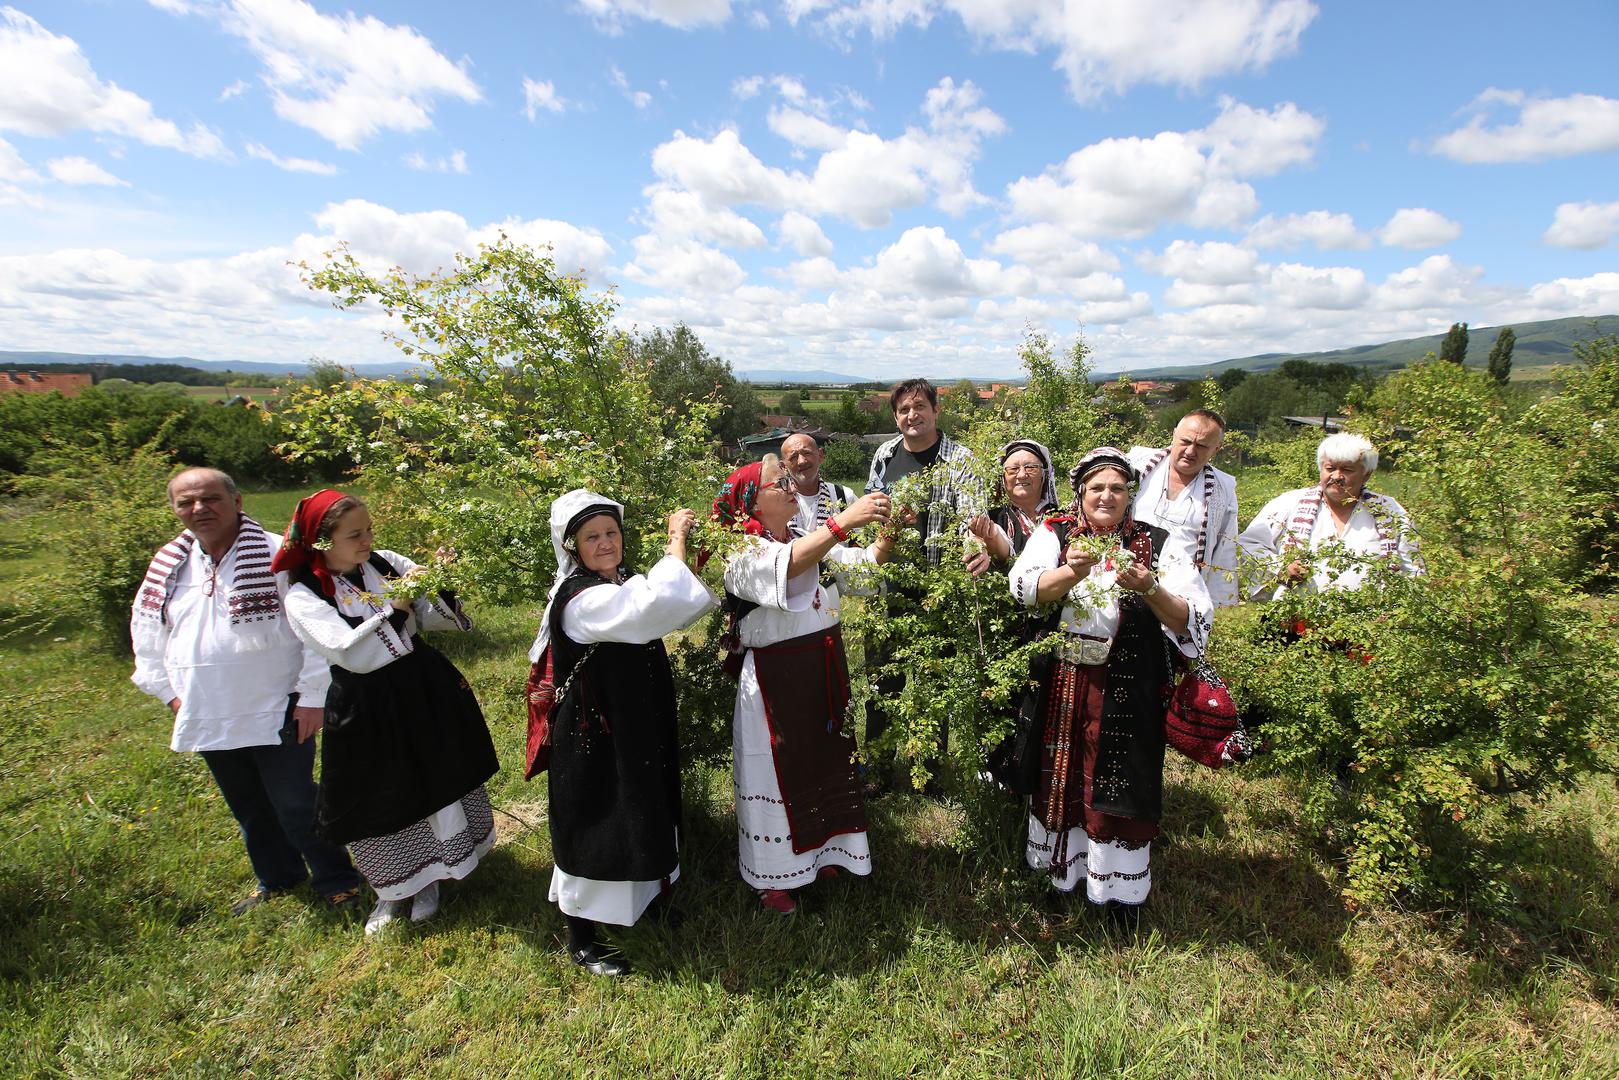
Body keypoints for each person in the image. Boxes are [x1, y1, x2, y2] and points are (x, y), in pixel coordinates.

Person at [131, 468, 363, 916]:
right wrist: (168, 693)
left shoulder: (278, 554)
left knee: (294, 801)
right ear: (176, 509)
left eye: (211, 499)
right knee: (249, 805)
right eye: (186, 502)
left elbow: (313, 625)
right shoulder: (170, 564)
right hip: (208, 706)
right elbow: (147, 629)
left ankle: (337, 878)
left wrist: (313, 696)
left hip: (278, 704)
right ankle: (277, 877)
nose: (200, 509)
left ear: (237, 502)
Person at [276, 490, 499, 936]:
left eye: (369, 529)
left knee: (435, 777)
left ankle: (437, 874)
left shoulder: (383, 563)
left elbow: (435, 621)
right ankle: (395, 887)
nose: (367, 540)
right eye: (354, 534)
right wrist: (398, 605)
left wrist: (434, 582)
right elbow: (348, 652)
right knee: (382, 790)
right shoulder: (304, 595)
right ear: (322, 542)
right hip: (367, 704)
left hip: (419, 688)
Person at [1008, 448, 1212, 925]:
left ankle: (1118, 892)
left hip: (1132, 681)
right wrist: (1072, 571)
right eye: (1096, 488)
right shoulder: (1055, 533)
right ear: (1080, 494)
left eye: (1117, 488)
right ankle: (1061, 872)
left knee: (1121, 774)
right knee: (1064, 770)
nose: (1106, 496)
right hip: (1065, 678)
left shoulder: (1159, 543)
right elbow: (1024, 588)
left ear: (1129, 496)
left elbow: (1194, 618)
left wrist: (1150, 589)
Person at [529, 489, 714, 977]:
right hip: (597, 731)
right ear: (572, 547)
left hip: (634, 718)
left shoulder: (619, 579)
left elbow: (673, 604)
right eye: (592, 537)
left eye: (612, 532)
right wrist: (676, 539)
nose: (606, 543)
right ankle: (582, 937)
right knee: (599, 818)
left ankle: (648, 898)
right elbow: (656, 604)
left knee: (643, 804)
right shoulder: (581, 599)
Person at [714, 456, 895, 914]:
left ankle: (823, 856)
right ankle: (773, 878)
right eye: (779, 482)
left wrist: (888, 532)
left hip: (821, 672)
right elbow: (786, 567)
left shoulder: (801, 537)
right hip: (776, 683)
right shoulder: (739, 551)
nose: (792, 484)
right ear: (751, 503)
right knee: (775, 774)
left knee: (823, 763)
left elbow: (863, 567)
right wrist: (841, 522)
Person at [863, 378, 1004, 794]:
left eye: (919, 407)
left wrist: (973, 546)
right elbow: (871, 509)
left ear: (935, 410)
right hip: (886, 587)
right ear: (895, 415)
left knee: (934, 680)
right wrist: (888, 524)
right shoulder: (885, 455)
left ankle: (927, 773)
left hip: (938, 590)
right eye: (904, 409)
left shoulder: (959, 458)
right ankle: (876, 769)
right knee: (881, 680)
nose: (912, 415)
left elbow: (971, 515)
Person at [1237, 432, 1422, 599]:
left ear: (1366, 475)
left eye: (1347, 470)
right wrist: (1280, 568)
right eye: (1330, 468)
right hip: (1294, 624)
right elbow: (1249, 545)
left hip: (1372, 627)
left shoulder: (1389, 511)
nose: (1337, 476)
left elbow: (1412, 568)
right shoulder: (1289, 503)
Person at [1127, 409, 1241, 608]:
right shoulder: (1136, 464)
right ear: (1173, 435)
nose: (1190, 451)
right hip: (1126, 577)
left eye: (1202, 446)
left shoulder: (1223, 489)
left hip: (1177, 594)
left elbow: (1225, 548)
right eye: (1186, 441)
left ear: (1216, 449)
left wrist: (1218, 604)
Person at [988, 439, 1059, 557]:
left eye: (1031, 468)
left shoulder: (1063, 520)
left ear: (1044, 475)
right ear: (1002, 478)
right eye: (1013, 469)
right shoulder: (992, 520)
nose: (1021, 475)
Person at [780, 431, 856, 539]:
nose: (801, 461)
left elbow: (862, 542)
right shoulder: (776, 502)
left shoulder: (844, 496)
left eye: (807, 453)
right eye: (793, 457)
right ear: (783, 467)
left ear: (820, 455)